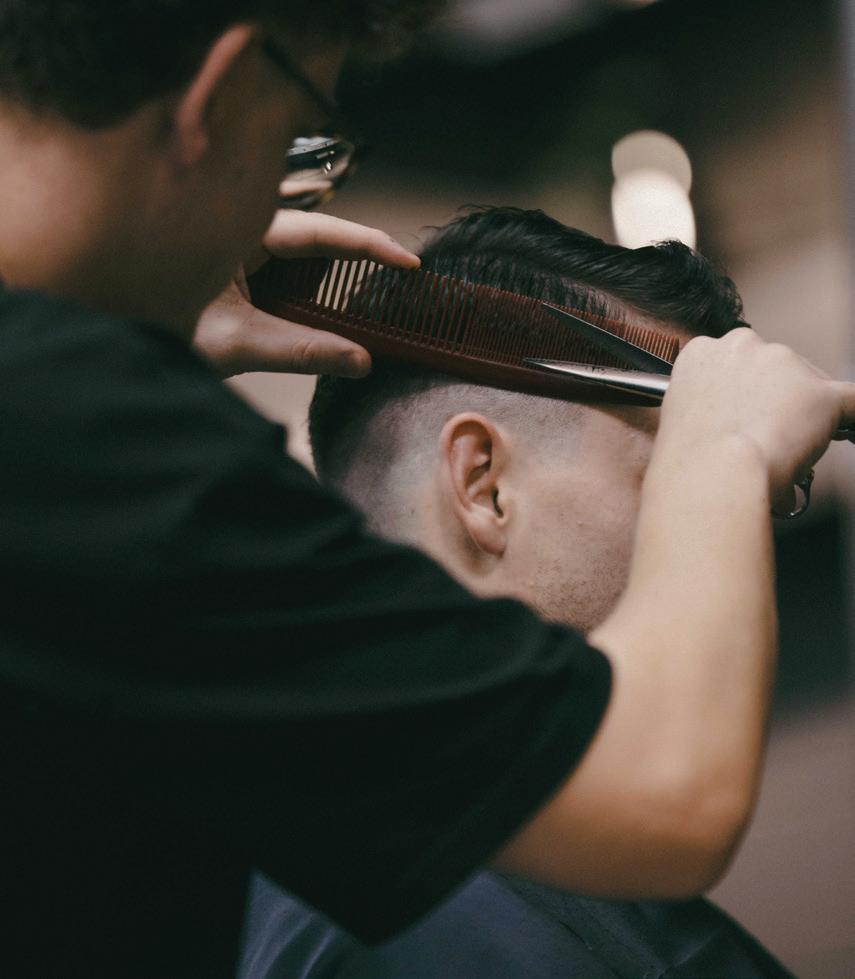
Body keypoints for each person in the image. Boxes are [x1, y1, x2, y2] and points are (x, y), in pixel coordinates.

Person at [0, 3, 853, 977]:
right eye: (300, 137)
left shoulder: (55, 447)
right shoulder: (77, 431)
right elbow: (667, 790)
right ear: (221, 91)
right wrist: (725, 449)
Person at [239, 207, 794, 979]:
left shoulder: (470, 855)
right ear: (484, 486)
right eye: (677, 470)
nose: (731, 536)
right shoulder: (422, 929)